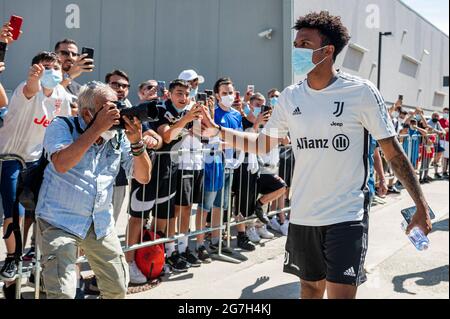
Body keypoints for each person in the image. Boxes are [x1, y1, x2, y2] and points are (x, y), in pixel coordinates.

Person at [199, 11, 432, 299]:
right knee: (309, 290)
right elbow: (262, 143)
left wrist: (420, 205)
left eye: (305, 45)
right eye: (295, 44)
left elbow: (393, 153)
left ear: (328, 50)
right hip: (303, 215)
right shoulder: (290, 96)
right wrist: (218, 131)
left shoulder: (359, 92)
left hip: (346, 216)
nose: (296, 51)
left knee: (340, 295)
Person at [35, 81, 152, 299]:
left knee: (117, 287)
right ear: (88, 113)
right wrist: (97, 128)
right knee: (63, 293)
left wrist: (136, 142)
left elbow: (143, 177)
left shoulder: (116, 136)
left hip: (99, 222)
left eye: (116, 107)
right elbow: (61, 163)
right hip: (59, 220)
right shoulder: (62, 126)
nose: (116, 115)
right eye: (108, 109)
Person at [0, 51, 72, 283]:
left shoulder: (62, 94)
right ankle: (12, 257)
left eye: (55, 68)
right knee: (13, 212)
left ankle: (41, 258)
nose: (51, 72)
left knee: (44, 210)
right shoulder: (28, 86)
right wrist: (34, 78)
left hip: (37, 160)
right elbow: (31, 88)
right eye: (45, 68)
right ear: (34, 69)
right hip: (10, 156)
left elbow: (63, 128)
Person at [428, 112, 446, 179]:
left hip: (437, 142)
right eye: (434, 116)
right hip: (430, 143)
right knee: (428, 158)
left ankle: (436, 171)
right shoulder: (429, 122)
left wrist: (443, 132)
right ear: (432, 116)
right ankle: (426, 173)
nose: (436, 117)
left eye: (437, 116)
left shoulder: (438, 123)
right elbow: (430, 129)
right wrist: (438, 132)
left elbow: (442, 129)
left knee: (440, 152)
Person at [439, 107, 449, 177]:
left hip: (448, 141)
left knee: (446, 157)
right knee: (442, 156)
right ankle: (443, 171)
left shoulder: (448, 121)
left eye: (447, 112)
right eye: (444, 112)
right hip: (442, 140)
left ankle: (445, 171)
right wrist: (444, 130)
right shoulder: (439, 120)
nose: (446, 113)